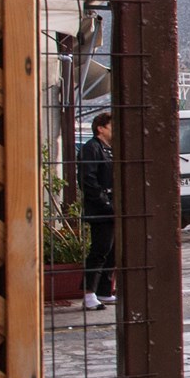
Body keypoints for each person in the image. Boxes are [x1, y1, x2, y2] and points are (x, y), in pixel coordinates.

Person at [75, 111, 116, 310]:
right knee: (100, 250)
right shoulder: (91, 148)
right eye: (111, 126)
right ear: (100, 128)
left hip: (111, 207)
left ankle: (104, 290)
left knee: (112, 250)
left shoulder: (109, 149)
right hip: (100, 209)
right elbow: (88, 180)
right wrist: (104, 202)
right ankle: (89, 293)